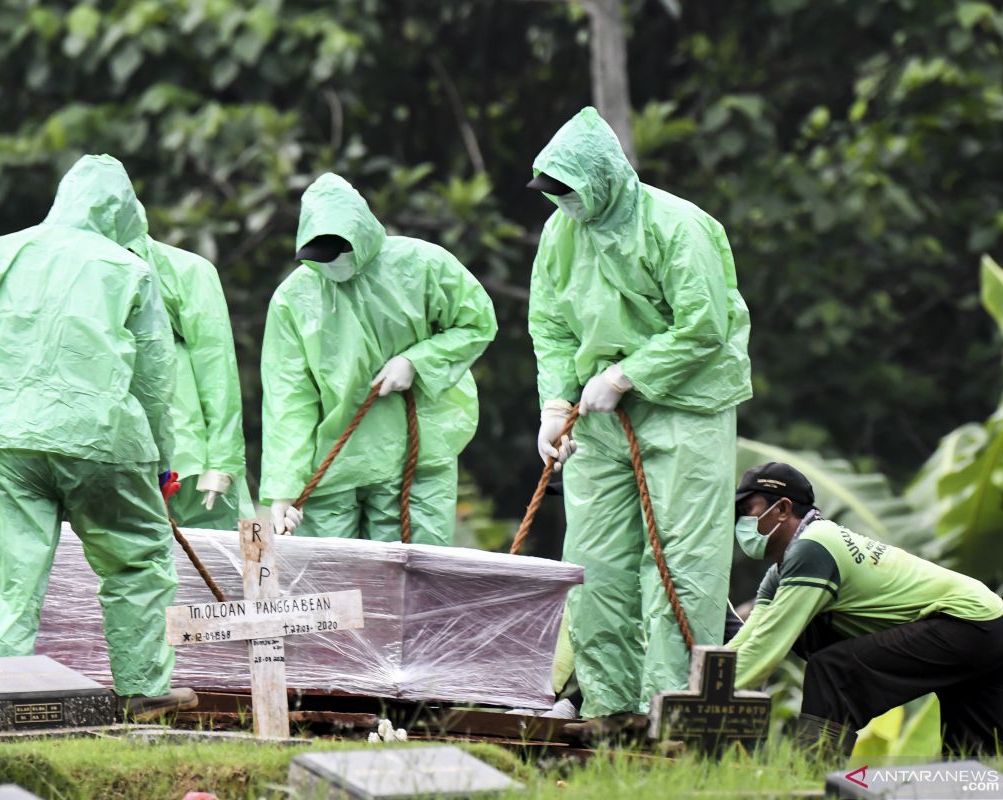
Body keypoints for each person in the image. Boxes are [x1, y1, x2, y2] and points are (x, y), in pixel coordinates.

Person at [0, 154, 194, 718]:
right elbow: (153, 382)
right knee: (136, 561)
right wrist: (161, 464)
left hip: (0, 438)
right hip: (101, 437)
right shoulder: (129, 269)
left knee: (7, 580)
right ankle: (142, 691)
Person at [527, 106, 752, 721]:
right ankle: (608, 710)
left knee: (680, 564)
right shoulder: (559, 233)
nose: (562, 203)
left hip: (686, 407)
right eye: (554, 193)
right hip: (599, 419)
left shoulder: (679, 226)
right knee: (595, 563)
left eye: (569, 190)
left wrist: (630, 374)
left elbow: (704, 325)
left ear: (603, 178)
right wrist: (556, 401)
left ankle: (673, 711)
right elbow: (549, 322)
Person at [261, 173, 497, 544]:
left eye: (335, 251)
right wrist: (283, 487)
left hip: (415, 458)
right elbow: (288, 397)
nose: (329, 263)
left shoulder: (422, 265)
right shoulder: (294, 298)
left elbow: (476, 323)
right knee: (328, 585)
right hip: (333, 464)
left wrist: (417, 361)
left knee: (414, 579)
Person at [728, 462, 1003, 757]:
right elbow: (750, 639)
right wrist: (702, 685)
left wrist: (696, 706)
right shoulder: (783, 571)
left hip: (967, 624)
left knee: (833, 672)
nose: (741, 521)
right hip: (996, 625)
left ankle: (812, 778)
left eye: (748, 510)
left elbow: (767, 647)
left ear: (782, 508)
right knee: (979, 767)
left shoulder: (814, 549)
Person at [132, 233, 252, 529]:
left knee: (229, 558)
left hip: (191, 459)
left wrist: (223, 462)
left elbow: (217, 368)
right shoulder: (77, 268)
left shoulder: (187, 270)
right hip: (125, 454)